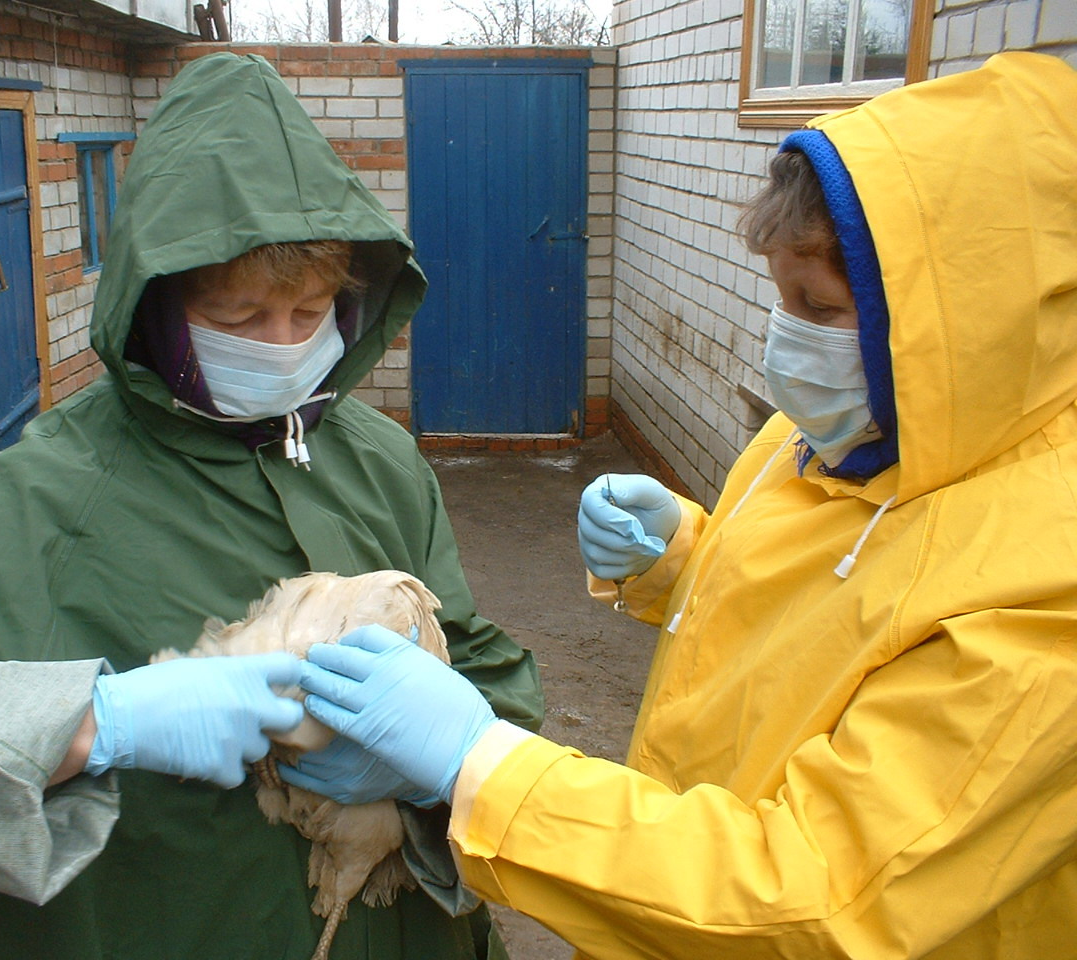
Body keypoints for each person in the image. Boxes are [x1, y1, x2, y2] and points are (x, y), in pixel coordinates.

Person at [288, 51, 1077, 959]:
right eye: (781, 298)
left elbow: (817, 902)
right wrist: (676, 558)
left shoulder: (1040, 600)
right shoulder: (856, 429)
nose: (787, 338)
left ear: (960, 326)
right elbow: (833, 616)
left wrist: (483, 766)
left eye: (817, 307)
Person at [0, 53, 543, 960]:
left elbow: (482, 662)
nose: (283, 348)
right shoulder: (32, 505)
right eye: (238, 319)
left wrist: (447, 754)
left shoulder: (380, 462)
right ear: (154, 308)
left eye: (310, 312)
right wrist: (94, 725)